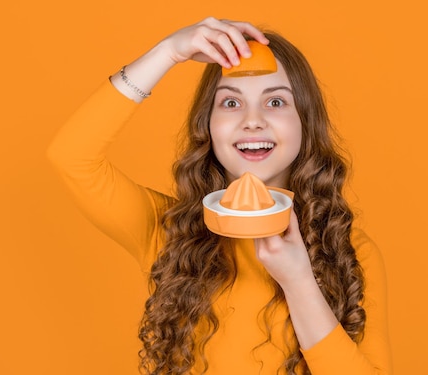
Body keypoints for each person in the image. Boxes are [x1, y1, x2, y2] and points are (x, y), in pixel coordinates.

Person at [47, 17, 392, 375]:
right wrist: (167, 53)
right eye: (231, 103)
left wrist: (299, 281)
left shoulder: (351, 251)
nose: (252, 120)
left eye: (275, 103)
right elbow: (72, 158)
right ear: (207, 124)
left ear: (306, 122)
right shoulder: (169, 232)